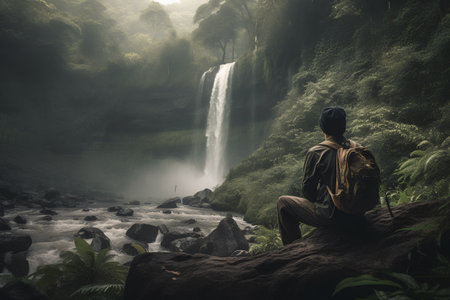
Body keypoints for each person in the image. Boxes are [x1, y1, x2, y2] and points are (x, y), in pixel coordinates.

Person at [277, 106, 364, 245]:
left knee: (283, 203)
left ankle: (293, 248)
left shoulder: (317, 152)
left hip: (331, 216)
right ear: (344, 126)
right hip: (358, 213)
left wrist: (325, 197)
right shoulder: (357, 148)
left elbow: (308, 192)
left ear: (323, 128)